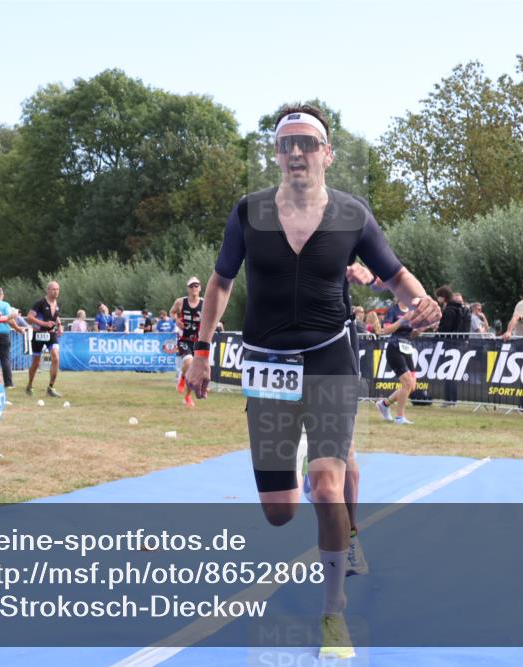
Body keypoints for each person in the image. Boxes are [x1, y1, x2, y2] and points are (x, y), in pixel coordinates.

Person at [184, 103, 440, 659]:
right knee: (280, 512)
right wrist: (201, 350)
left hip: (329, 362)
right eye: (285, 144)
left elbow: (395, 277)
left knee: (327, 488)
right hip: (267, 366)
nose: (296, 153)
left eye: (307, 143)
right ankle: (310, 469)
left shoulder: (352, 214)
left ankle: (333, 617)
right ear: (276, 155)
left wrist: (421, 302)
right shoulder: (248, 213)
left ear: (327, 153)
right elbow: (222, 282)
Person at [377, 300, 420, 423]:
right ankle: (400, 417)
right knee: (406, 384)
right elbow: (386, 330)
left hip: (407, 349)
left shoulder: (413, 312)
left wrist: (421, 329)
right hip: (394, 348)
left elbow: (412, 334)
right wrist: (403, 319)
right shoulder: (393, 310)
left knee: (411, 386)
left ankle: (384, 404)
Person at [170, 277, 204, 408]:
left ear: (200, 288)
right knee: (189, 362)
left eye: (196, 286)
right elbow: (172, 312)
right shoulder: (180, 302)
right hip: (184, 339)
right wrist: (176, 320)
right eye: (192, 286)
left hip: (198, 341)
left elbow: (210, 317)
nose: (194, 288)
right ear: (188, 288)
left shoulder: (204, 303)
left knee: (194, 372)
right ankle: (182, 379)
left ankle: (187, 396)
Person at [25, 281, 63, 397]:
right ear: (48, 290)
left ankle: (50, 388)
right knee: (36, 363)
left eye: (57, 289)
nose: (56, 291)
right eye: (53, 289)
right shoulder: (40, 303)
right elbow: (29, 318)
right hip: (38, 334)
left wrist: (60, 326)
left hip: (51, 334)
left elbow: (56, 316)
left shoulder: (56, 304)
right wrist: (44, 323)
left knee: (55, 358)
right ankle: (30, 385)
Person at [0, 287, 25, 389]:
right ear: (2, 295)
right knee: (5, 359)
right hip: (2, 334)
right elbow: (10, 319)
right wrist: (18, 329)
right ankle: (8, 384)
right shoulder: (5, 305)